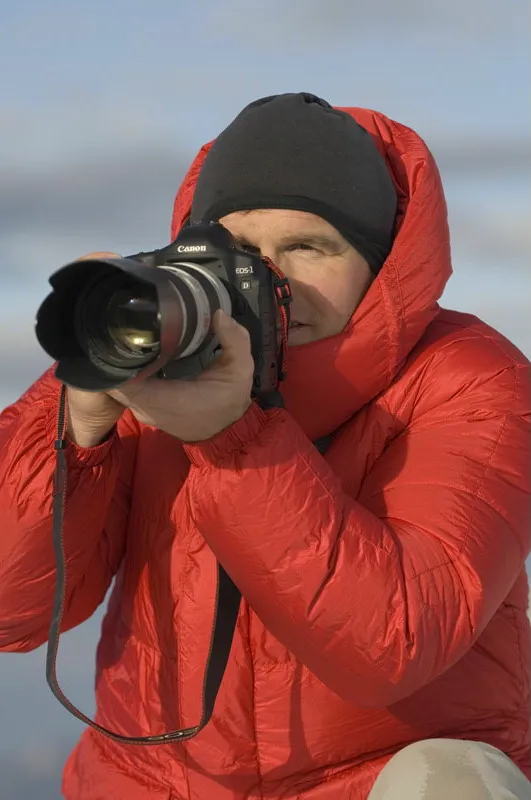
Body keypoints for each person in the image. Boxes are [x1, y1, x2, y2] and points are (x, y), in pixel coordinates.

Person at [0, 92, 529, 800]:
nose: (268, 278)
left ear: (380, 264)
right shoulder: (153, 362)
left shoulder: (470, 380)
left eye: (306, 246)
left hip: (375, 778)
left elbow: (391, 645)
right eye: (238, 250)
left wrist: (233, 440)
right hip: (155, 781)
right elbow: (13, 611)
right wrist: (72, 426)